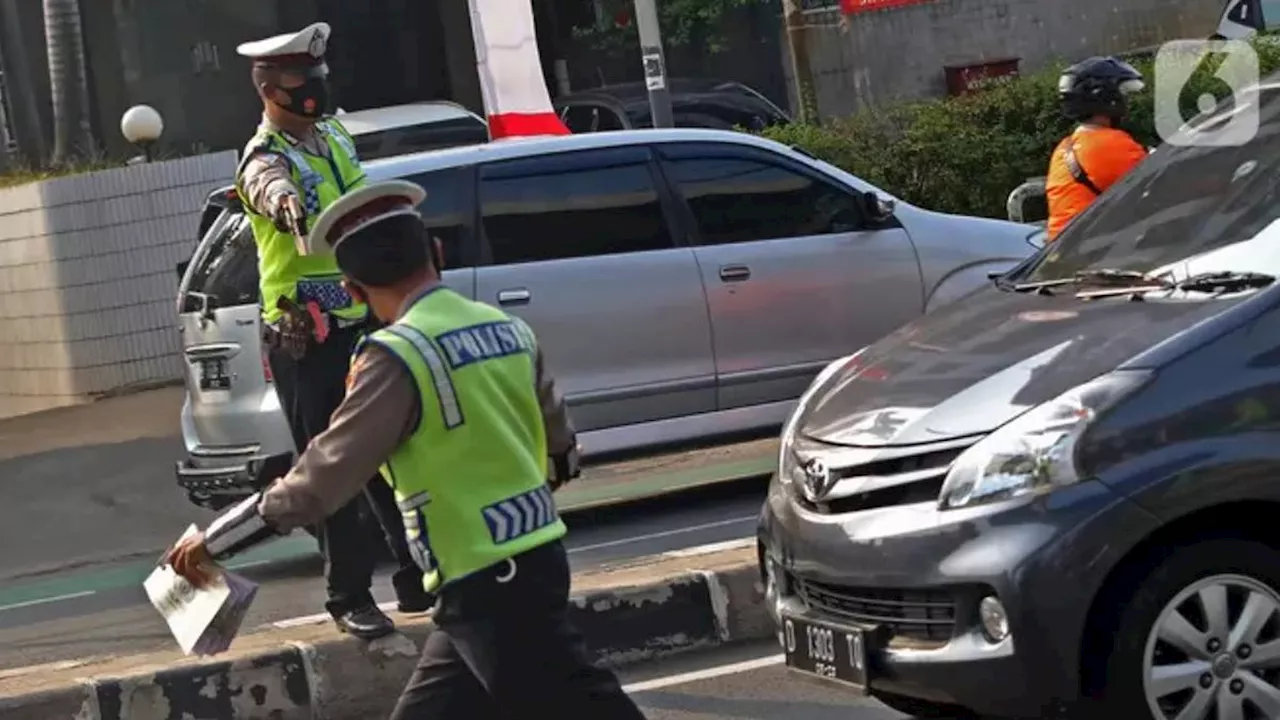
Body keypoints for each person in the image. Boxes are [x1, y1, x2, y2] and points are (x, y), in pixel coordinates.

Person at [163, 180, 646, 719]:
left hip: (489, 582)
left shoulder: (395, 358)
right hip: (523, 565)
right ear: (436, 255)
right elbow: (562, 454)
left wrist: (215, 543)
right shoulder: (508, 330)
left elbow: (321, 481)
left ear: (350, 290)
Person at [234, 22, 431, 639]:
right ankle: (348, 597)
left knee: (390, 453)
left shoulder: (335, 135)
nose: (313, 88)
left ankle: (414, 577)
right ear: (269, 89)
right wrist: (286, 202)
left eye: (317, 76)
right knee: (333, 463)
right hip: (306, 337)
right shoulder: (265, 157)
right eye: (299, 81)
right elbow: (268, 189)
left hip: (361, 320)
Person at [1045, 56, 1149, 242]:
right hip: (1097, 249)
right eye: (1122, 94)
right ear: (1107, 97)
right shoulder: (1112, 143)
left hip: (1064, 248)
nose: (1126, 101)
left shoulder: (1065, 147)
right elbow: (1158, 182)